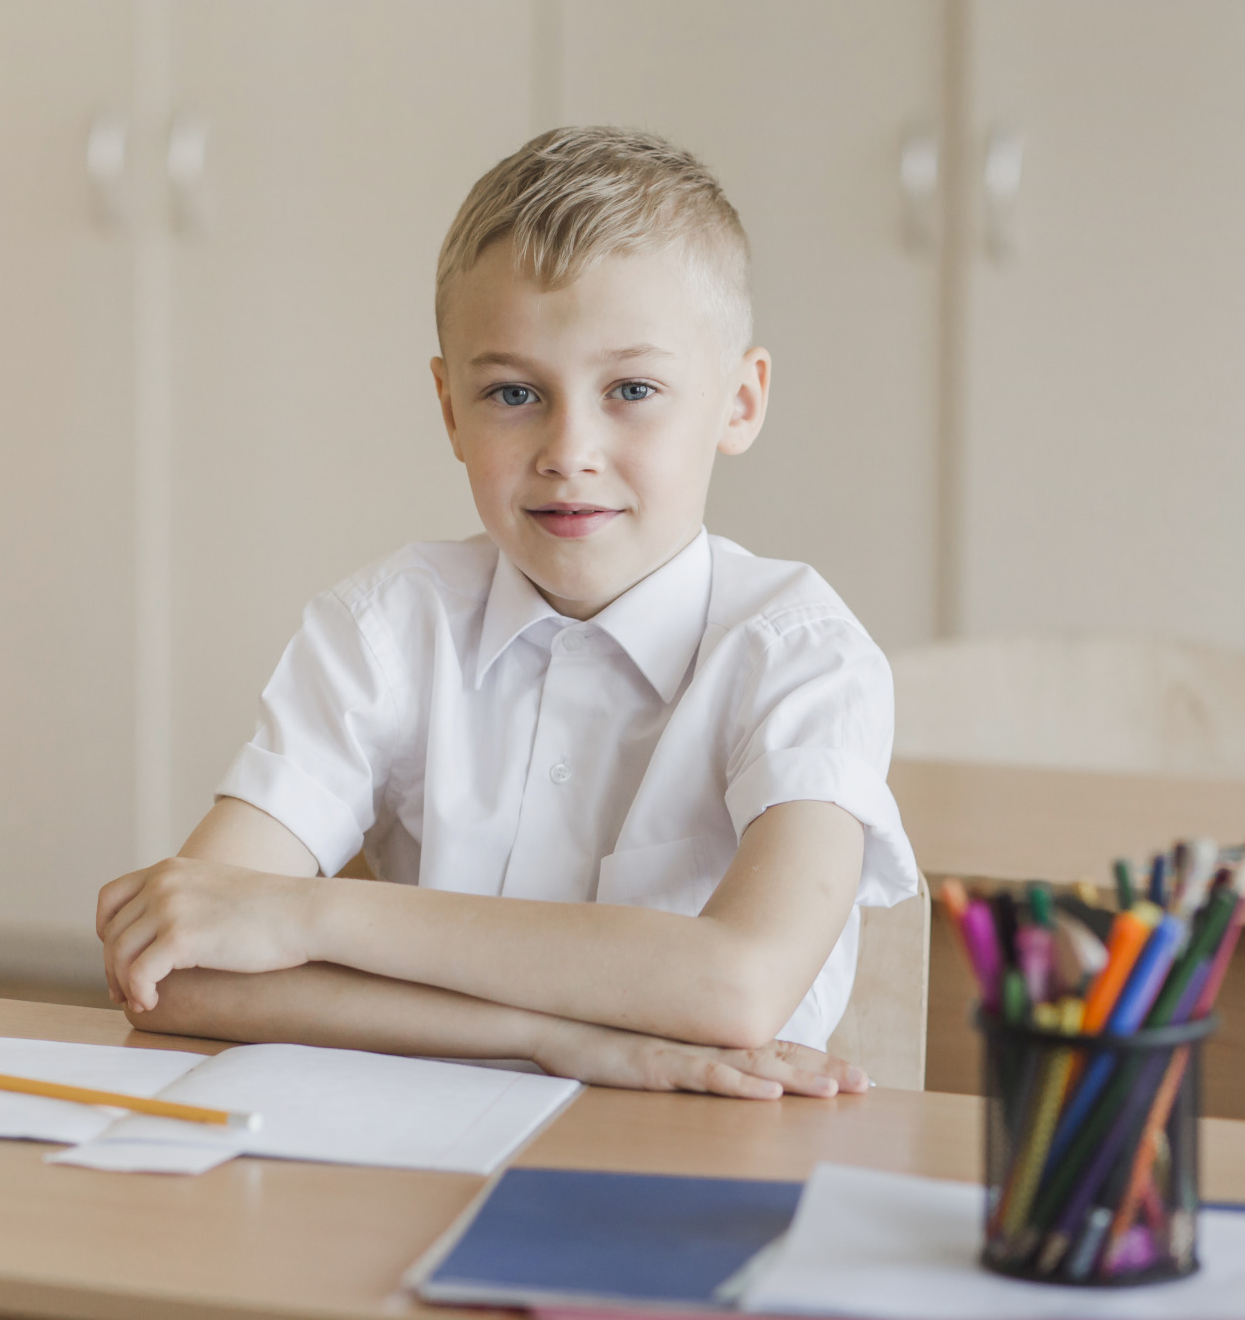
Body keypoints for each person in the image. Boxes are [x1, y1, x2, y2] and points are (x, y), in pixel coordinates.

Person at [96, 127, 919, 1099]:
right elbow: (180, 974)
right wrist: (548, 1037)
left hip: (706, 1162)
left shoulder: (799, 655)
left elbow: (737, 986)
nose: (568, 449)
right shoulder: (384, 627)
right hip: (409, 1151)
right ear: (449, 408)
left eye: (631, 390)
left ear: (738, 401)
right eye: (514, 392)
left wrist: (308, 918)